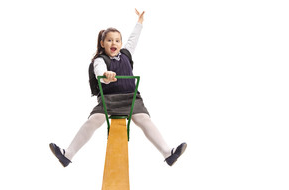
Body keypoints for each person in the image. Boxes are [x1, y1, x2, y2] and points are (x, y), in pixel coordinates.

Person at [49, 9, 186, 167]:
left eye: (117, 41)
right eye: (109, 40)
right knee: (94, 120)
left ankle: (168, 153)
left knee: (144, 119)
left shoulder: (127, 54)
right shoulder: (100, 60)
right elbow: (100, 72)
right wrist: (106, 75)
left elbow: (134, 38)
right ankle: (68, 154)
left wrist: (139, 22)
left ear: (121, 44)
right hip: (109, 100)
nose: (113, 43)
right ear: (102, 43)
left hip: (131, 98)